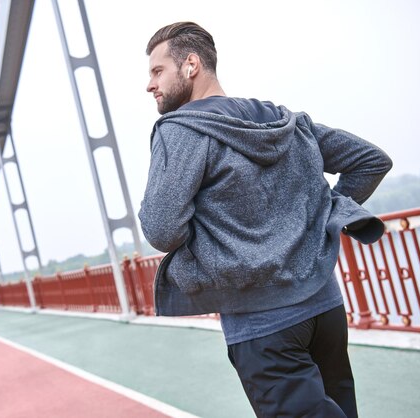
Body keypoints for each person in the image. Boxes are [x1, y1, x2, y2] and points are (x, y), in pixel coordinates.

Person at [138, 21, 393, 417]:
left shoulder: (181, 131)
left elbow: (161, 228)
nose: (149, 85)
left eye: (157, 71)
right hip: (325, 307)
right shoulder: (281, 119)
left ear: (190, 65)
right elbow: (370, 161)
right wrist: (319, 218)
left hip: (262, 323)